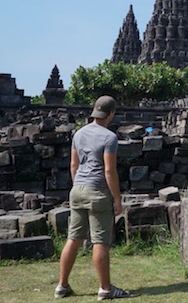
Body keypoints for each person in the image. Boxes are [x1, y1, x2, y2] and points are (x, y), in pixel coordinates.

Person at [55, 95, 131, 299]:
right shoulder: (109, 137)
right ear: (111, 113)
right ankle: (105, 289)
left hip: (78, 188)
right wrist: (117, 198)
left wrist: (78, 185)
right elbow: (109, 171)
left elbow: (73, 165)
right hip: (98, 191)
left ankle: (62, 285)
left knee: (74, 238)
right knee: (100, 241)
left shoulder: (79, 134)